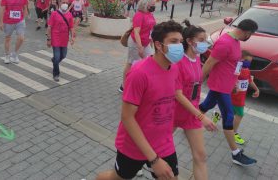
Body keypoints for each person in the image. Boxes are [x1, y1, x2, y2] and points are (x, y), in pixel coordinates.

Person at [95, 20, 184, 180]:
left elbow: (173, 99)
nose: (179, 46)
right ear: (158, 45)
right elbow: (127, 117)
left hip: (163, 143)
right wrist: (154, 159)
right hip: (134, 145)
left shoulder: (174, 68)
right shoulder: (139, 73)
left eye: (181, 42)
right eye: (174, 42)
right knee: (116, 178)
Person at [199, 19, 258, 166]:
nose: (250, 36)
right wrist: (197, 82)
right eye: (251, 34)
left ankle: (185, 120)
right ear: (247, 32)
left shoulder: (236, 42)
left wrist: (234, 83)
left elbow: (232, 65)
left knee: (205, 106)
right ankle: (235, 154)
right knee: (229, 116)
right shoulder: (225, 42)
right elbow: (209, 62)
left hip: (226, 85)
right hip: (220, 86)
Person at [174, 20, 217, 180]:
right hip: (173, 112)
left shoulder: (198, 58)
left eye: (205, 40)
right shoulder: (178, 62)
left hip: (191, 114)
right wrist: (202, 116)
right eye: (201, 40)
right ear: (189, 41)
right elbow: (178, 95)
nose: (205, 43)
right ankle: (136, 162)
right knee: (156, 147)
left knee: (201, 156)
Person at [119, 0, 156, 93]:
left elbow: (151, 29)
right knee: (131, 63)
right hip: (135, 42)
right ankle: (124, 86)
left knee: (149, 62)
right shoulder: (139, 15)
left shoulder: (150, 14)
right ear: (146, 4)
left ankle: (142, 83)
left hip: (146, 42)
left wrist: (151, 42)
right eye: (152, 4)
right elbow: (136, 32)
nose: (154, 6)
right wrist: (140, 47)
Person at [230, 50, 260, 145]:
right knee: (240, 115)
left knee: (231, 113)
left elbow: (250, 81)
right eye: (247, 61)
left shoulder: (247, 70)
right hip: (235, 97)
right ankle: (233, 134)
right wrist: (233, 86)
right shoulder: (237, 68)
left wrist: (257, 89)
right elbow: (232, 79)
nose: (248, 63)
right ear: (241, 59)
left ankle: (217, 115)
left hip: (241, 97)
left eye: (250, 62)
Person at [0, 0, 29, 64]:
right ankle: (7, 55)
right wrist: (1, 22)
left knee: (21, 38)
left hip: (20, 21)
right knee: (8, 38)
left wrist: (24, 18)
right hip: (8, 21)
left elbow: (25, 8)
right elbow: (2, 9)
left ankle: (15, 54)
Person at [46, 0, 75, 82]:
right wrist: (48, 39)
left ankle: (54, 60)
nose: (65, 4)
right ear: (59, 3)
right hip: (55, 38)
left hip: (64, 39)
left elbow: (71, 27)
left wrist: (72, 37)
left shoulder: (69, 15)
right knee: (57, 56)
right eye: (63, 2)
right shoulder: (54, 14)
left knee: (63, 55)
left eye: (66, 2)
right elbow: (49, 27)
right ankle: (56, 74)